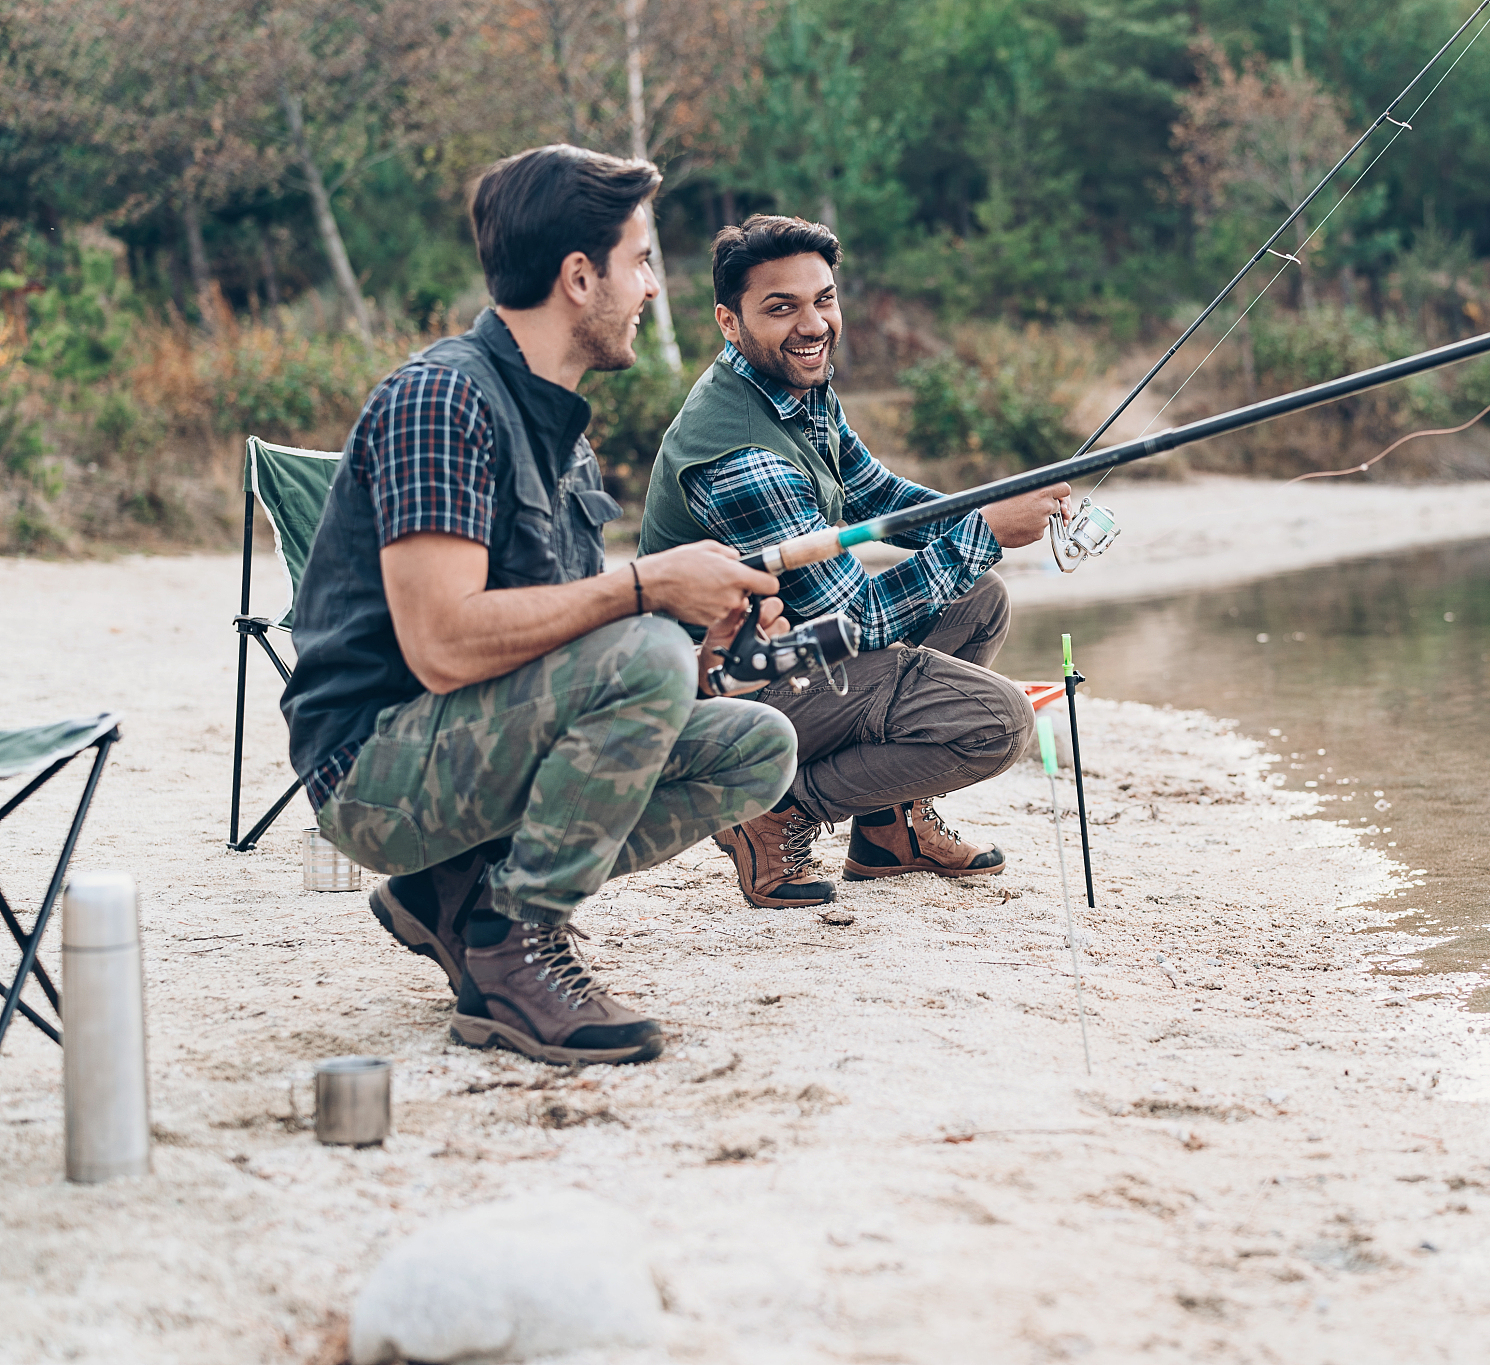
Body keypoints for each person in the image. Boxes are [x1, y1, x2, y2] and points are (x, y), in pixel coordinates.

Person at [281, 146, 799, 1066]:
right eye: (641, 262)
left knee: (756, 746)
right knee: (646, 648)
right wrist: (646, 591)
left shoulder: (563, 436)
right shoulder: (441, 399)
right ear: (577, 276)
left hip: (470, 741)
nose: (651, 288)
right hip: (373, 768)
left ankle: (455, 892)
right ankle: (514, 950)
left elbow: (570, 652)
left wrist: (700, 636)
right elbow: (441, 645)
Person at [638, 215, 1069, 910]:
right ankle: (774, 808)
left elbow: (879, 494)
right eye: (781, 307)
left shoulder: (794, 388)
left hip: (786, 650)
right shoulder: (741, 454)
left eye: (824, 299)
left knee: (978, 598)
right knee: (1002, 724)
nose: (813, 324)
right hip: (716, 697)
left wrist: (994, 503)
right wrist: (987, 530)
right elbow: (859, 619)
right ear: (728, 320)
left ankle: (888, 828)